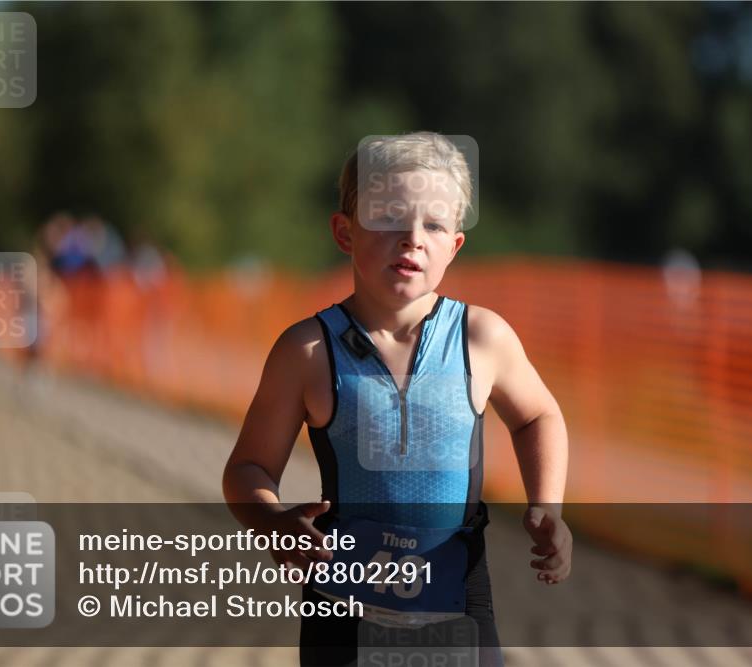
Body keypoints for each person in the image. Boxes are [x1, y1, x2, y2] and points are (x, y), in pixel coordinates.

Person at [223, 132, 570, 666]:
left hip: (457, 603)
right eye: (389, 219)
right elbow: (247, 467)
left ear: (454, 244)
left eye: (433, 224)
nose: (412, 239)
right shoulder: (308, 350)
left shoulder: (482, 338)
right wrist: (272, 522)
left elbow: (538, 415)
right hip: (341, 609)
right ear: (345, 232)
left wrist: (547, 504)